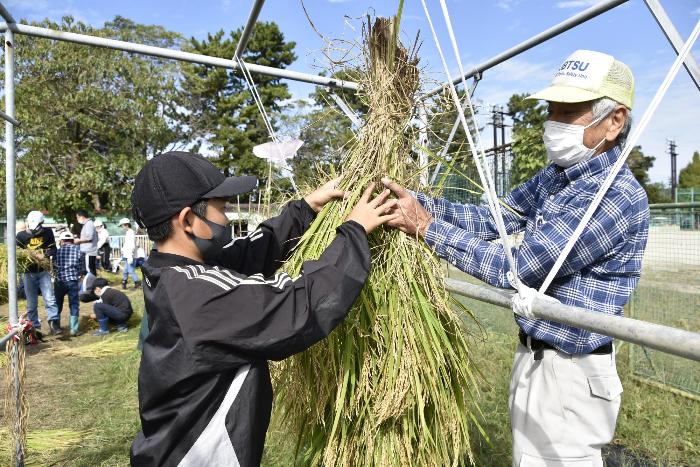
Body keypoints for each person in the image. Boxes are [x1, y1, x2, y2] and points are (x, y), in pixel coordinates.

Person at [383, 50, 649, 466]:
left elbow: (521, 268)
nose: (554, 122)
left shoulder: (614, 196)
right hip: (536, 356)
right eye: (552, 110)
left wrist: (426, 228)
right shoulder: (558, 176)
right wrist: (415, 202)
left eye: (570, 111)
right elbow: (498, 217)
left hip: (571, 373)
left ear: (615, 121)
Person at [129, 151, 397, 466]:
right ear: (188, 220)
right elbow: (301, 305)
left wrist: (305, 209)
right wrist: (354, 231)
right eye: (222, 208)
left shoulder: (173, 272)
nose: (227, 219)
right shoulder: (198, 296)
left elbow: (250, 253)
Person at [16, 211, 61, 335]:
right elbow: (17, 254)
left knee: (49, 299)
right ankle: (35, 329)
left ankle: (53, 323)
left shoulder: (47, 233)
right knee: (31, 303)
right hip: (28, 273)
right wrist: (29, 254)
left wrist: (45, 255)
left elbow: (53, 250)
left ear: (42, 223)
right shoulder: (21, 236)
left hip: (43, 271)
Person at [54, 231, 82, 336]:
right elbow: (80, 266)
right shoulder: (78, 250)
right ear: (72, 240)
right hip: (72, 280)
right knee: (74, 304)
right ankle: (74, 329)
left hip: (59, 281)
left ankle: (56, 327)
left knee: (57, 304)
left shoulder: (57, 251)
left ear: (61, 241)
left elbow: (53, 265)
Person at [74, 210, 98, 276]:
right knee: (90, 269)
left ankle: (92, 285)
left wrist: (79, 241)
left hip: (89, 251)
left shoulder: (88, 224)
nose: (77, 219)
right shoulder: (86, 224)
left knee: (89, 270)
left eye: (77, 217)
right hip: (88, 251)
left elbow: (89, 238)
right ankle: (93, 284)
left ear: (81, 217)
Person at [119, 218, 141, 289]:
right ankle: (124, 283)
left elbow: (131, 245)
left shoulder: (131, 232)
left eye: (122, 225)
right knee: (125, 270)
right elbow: (127, 245)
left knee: (131, 271)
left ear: (126, 225)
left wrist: (130, 256)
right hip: (127, 255)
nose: (121, 227)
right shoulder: (128, 232)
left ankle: (137, 283)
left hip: (131, 256)